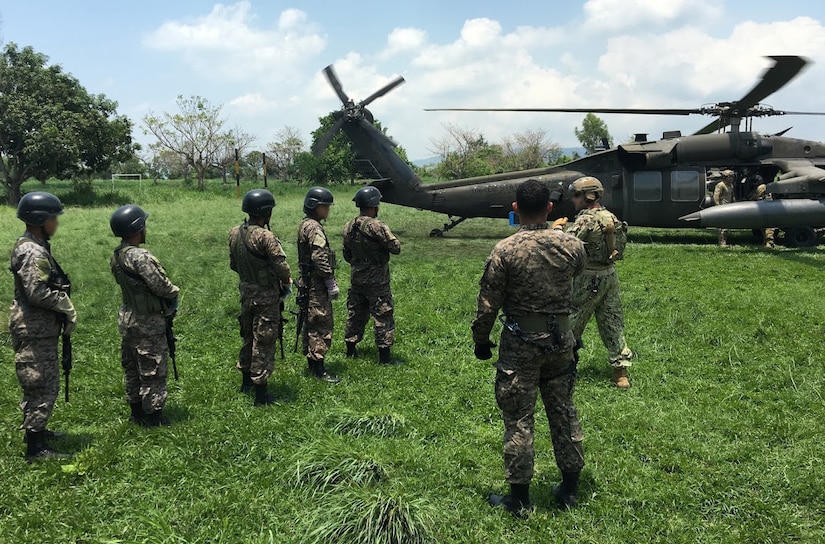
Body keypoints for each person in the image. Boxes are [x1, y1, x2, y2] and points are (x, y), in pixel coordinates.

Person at [472, 179, 587, 515]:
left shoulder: (505, 250)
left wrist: (481, 341)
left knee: (519, 418)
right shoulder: (571, 246)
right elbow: (578, 278)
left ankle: (519, 498)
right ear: (549, 208)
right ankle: (570, 489)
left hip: (520, 344)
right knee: (564, 411)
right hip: (560, 342)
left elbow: (488, 305)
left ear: (515, 209)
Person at [9, 192, 76, 461]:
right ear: (39, 220)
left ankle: (37, 429)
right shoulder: (32, 250)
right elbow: (36, 292)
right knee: (41, 382)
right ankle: (35, 449)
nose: (56, 223)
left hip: (39, 327)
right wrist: (64, 304)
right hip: (34, 328)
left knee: (40, 379)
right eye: (52, 218)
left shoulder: (34, 245)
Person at [110, 205, 180, 426]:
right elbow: (161, 286)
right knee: (153, 367)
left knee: (132, 366)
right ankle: (154, 415)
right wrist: (174, 293)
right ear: (138, 228)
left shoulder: (117, 256)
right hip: (147, 320)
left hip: (128, 317)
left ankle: (136, 410)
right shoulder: (141, 257)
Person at [562, 176, 634, 389]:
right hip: (610, 276)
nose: (573, 200)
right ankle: (620, 374)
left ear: (588, 197)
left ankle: (559, 366)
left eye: (576, 195)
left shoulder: (586, 220)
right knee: (612, 322)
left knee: (571, 322)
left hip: (588, 278)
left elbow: (565, 246)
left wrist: (557, 229)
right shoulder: (609, 216)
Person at [229, 189, 293, 405]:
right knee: (264, 340)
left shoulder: (235, 233)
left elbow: (233, 264)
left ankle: (246, 380)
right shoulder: (266, 236)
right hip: (266, 295)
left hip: (246, 292)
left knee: (248, 335)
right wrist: (286, 284)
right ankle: (261, 392)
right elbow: (282, 267)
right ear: (266, 212)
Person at [342, 186, 402, 365]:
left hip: (357, 279)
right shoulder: (377, 226)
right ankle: (385, 357)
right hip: (377, 281)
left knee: (355, 314)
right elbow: (396, 248)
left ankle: (351, 350)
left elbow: (346, 254)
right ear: (374, 205)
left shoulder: (348, 226)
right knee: (383, 314)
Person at [297, 187, 341, 383]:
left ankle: (313, 363)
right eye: (326, 206)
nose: (328, 210)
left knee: (311, 323)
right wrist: (330, 280)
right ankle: (319, 368)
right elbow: (319, 256)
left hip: (307, 282)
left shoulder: (304, 225)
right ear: (316, 207)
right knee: (321, 324)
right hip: (316, 284)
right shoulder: (315, 228)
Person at [747, 175, 776, 249]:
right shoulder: (761, 186)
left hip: (767, 208)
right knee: (763, 227)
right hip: (763, 207)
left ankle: (769, 243)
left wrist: (751, 197)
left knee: (768, 227)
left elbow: (756, 196)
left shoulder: (762, 187)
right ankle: (765, 241)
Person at [713, 169, 736, 247]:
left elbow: (732, 196)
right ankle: (722, 242)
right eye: (730, 177)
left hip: (729, 207)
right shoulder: (721, 185)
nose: (732, 179)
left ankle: (724, 241)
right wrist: (717, 206)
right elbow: (716, 196)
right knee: (722, 226)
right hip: (722, 207)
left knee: (726, 226)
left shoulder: (731, 186)